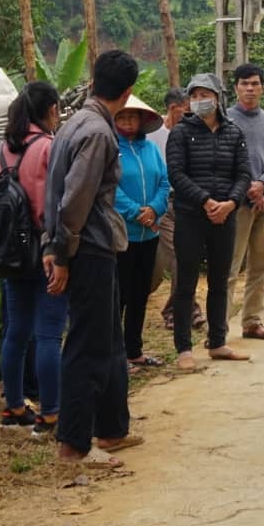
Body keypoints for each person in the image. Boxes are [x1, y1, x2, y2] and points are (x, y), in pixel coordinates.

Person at [42, 51, 141, 469]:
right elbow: (76, 199)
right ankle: (74, 445)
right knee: (87, 345)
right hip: (89, 248)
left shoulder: (73, 124)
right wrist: (62, 251)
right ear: (129, 92)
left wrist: (54, 244)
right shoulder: (98, 132)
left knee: (110, 340)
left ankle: (112, 427)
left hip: (91, 244)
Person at [167, 73, 253, 371]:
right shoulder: (180, 133)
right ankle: (184, 349)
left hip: (225, 217)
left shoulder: (233, 133)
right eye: (195, 95)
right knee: (186, 283)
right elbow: (176, 174)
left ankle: (218, 342)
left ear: (218, 97)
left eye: (206, 95)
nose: (200, 101)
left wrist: (230, 203)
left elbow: (244, 174)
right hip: (191, 216)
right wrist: (205, 201)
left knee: (220, 280)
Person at [0, 81, 63, 437]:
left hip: (10, 252)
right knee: (49, 333)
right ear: (51, 109)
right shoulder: (49, 147)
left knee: (16, 331)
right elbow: (56, 204)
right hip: (44, 250)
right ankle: (51, 414)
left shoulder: (0, 150)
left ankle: (14, 407)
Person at [225, 64, 264, 342]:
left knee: (261, 264)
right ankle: (219, 327)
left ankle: (252, 321)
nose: (250, 88)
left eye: (255, 83)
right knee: (230, 267)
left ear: (262, 87)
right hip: (236, 205)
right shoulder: (224, 120)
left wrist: (262, 185)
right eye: (244, 83)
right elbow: (223, 161)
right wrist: (249, 187)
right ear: (235, 87)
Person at [113, 94, 167, 368]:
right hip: (124, 235)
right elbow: (110, 188)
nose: (127, 122)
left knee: (140, 293)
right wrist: (137, 212)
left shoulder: (151, 150)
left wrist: (155, 210)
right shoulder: (112, 149)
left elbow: (164, 182)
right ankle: (115, 353)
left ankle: (134, 349)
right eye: (122, 117)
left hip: (150, 234)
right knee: (120, 294)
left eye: (132, 117)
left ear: (141, 120)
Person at [150, 88, 193, 332]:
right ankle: (178, 311)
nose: (188, 115)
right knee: (179, 257)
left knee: (186, 257)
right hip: (162, 204)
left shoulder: (188, 133)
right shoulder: (153, 134)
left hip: (185, 204)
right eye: (185, 110)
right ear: (173, 108)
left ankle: (180, 309)